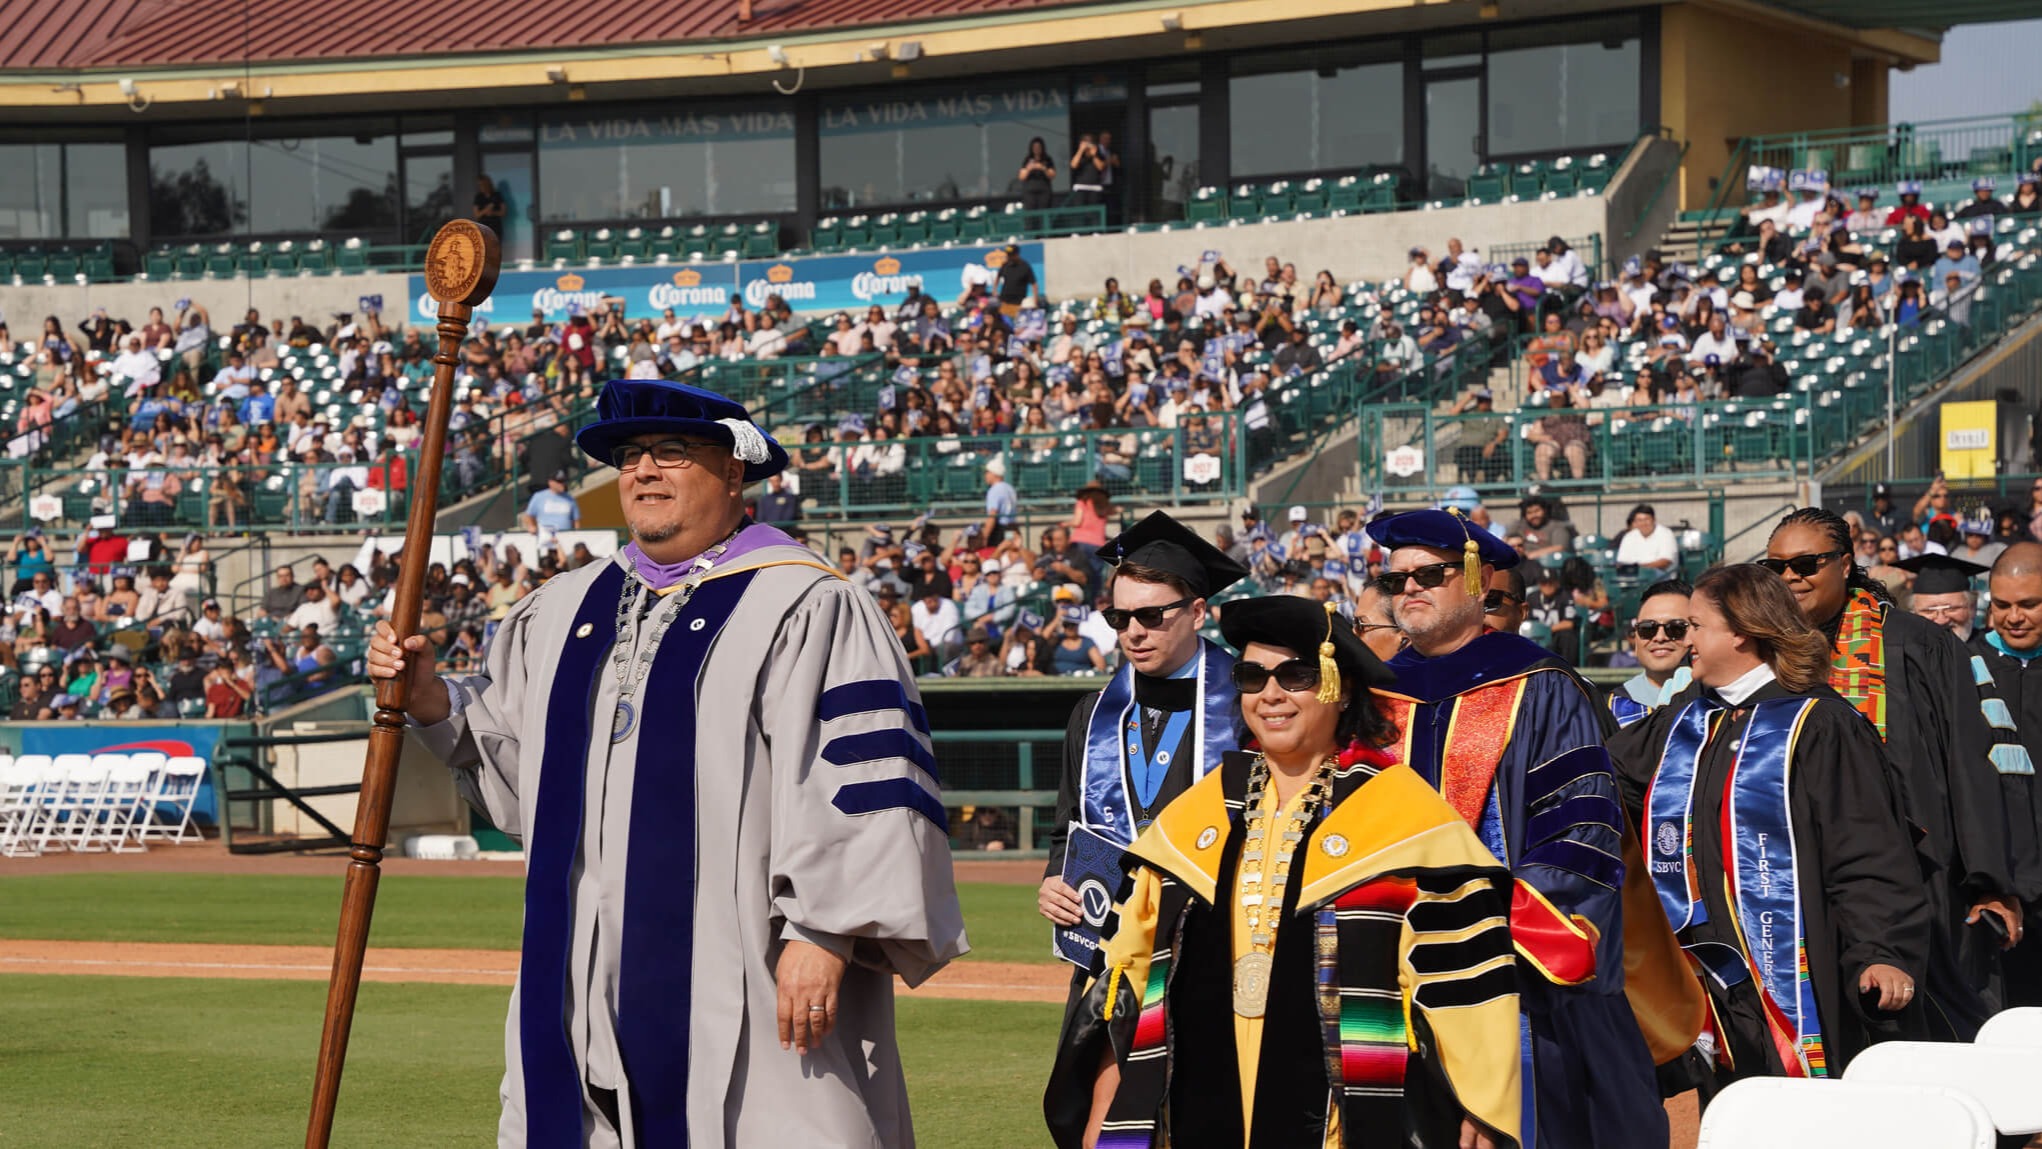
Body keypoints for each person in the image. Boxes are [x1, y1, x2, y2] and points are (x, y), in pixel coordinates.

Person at [366, 378, 965, 1146]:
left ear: (734, 471)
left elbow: (860, 783)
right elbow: (528, 788)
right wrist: (430, 701)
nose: (644, 471)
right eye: (630, 456)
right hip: (576, 971)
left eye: (672, 452)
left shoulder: (806, 604)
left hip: (742, 961)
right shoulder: (564, 607)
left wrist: (823, 934)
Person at [1045, 596, 1523, 1149]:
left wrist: (1483, 1106)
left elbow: (1467, 983)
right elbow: (1127, 979)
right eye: (1252, 676)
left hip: (1349, 1119)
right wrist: (1109, 1100)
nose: (1270, 695)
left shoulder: (1407, 821)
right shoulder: (1195, 818)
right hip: (1194, 1105)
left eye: (1295, 677)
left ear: (1339, 689)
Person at [1366, 508, 1666, 1149]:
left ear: (1475, 581)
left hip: (1515, 981)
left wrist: (1493, 945)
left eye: (1430, 574)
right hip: (1392, 975)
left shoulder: (1540, 686)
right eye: (1396, 581)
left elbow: (1580, 832)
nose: (1409, 589)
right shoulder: (1378, 697)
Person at [1609, 564, 1930, 1083]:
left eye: (1695, 625)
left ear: (1740, 631)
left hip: (1795, 958)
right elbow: (1608, 779)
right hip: (1704, 968)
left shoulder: (1818, 724)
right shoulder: (1688, 718)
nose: (1683, 639)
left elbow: (1868, 849)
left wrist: (1881, 950)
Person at [1762, 507, 2020, 1039]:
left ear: (1846, 563)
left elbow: (1971, 765)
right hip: (1801, 873)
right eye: (1777, 567)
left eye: (1807, 563)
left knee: (1931, 1027)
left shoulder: (1916, 644)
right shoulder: (1763, 654)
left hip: (1918, 869)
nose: (1792, 577)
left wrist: (1988, 880)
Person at [1041, 512, 1250, 917]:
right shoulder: (1093, 713)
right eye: (1119, 618)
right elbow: (1068, 831)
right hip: (1107, 942)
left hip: (1210, 934)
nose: (1133, 632)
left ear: (1198, 612)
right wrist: (1054, 879)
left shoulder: (1246, 706)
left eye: (1151, 616)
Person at [1974, 542, 2042, 1008]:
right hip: (2002, 887)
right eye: (2002, 605)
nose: (2013, 617)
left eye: (2029, 604)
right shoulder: (1962, 667)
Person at [1607, 579, 1693, 728]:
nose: (1660, 637)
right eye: (1647, 628)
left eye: (1675, 628)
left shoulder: (1721, 702)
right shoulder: (1612, 708)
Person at [1615, 504, 1679, 571]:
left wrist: (1641, 568)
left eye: (1646, 519)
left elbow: (1665, 562)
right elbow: (1622, 562)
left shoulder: (1666, 534)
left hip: (1661, 577)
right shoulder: (1629, 537)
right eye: (1639, 520)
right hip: (1633, 576)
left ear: (1654, 520)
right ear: (1635, 522)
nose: (1643, 523)